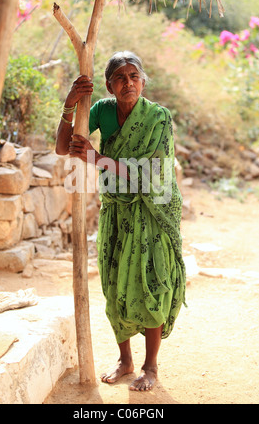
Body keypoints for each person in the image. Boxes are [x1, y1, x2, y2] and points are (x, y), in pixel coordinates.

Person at [56, 51, 186, 391]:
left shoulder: (158, 118)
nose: (128, 83)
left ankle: (150, 366)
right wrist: (70, 104)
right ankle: (125, 360)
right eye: (120, 78)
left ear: (143, 81)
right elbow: (62, 147)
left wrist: (98, 159)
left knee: (152, 283)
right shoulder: (100, 111)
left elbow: (155, 177)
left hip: (152, 212)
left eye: (133, 76)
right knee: (116, 285)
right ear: (109, 85)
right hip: (116, 211)